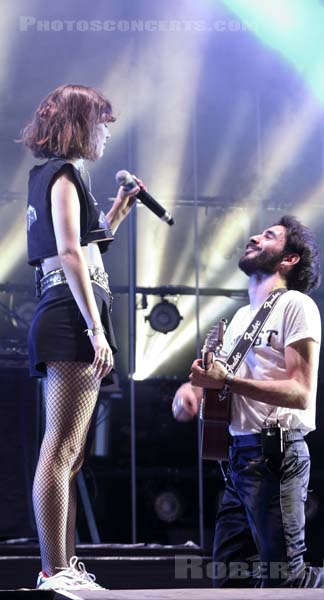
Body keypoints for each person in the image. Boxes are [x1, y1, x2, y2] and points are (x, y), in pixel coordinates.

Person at [172, 215, 324, 588]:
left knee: (287, 581)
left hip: (276, 455)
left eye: (269, 235)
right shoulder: (241, 319)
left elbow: (300, 391)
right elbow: (210, 385)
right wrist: (189, 394)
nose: (254, 236)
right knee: (229, 580)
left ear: (289, 259)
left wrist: (226, 379)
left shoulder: (296, 305)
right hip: (239, 458)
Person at [22, 84, 142, 591]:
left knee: (71, 455)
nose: (107, 131)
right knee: (60, 448)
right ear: (80, 121)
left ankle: (65, 568)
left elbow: (86, 247)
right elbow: (71, 255)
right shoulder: (65, 174)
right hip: (70, 314)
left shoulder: (54, 177)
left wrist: (116, 210)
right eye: (103, 121)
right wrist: (96, 329)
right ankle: (55, 571)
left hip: (69, 308)